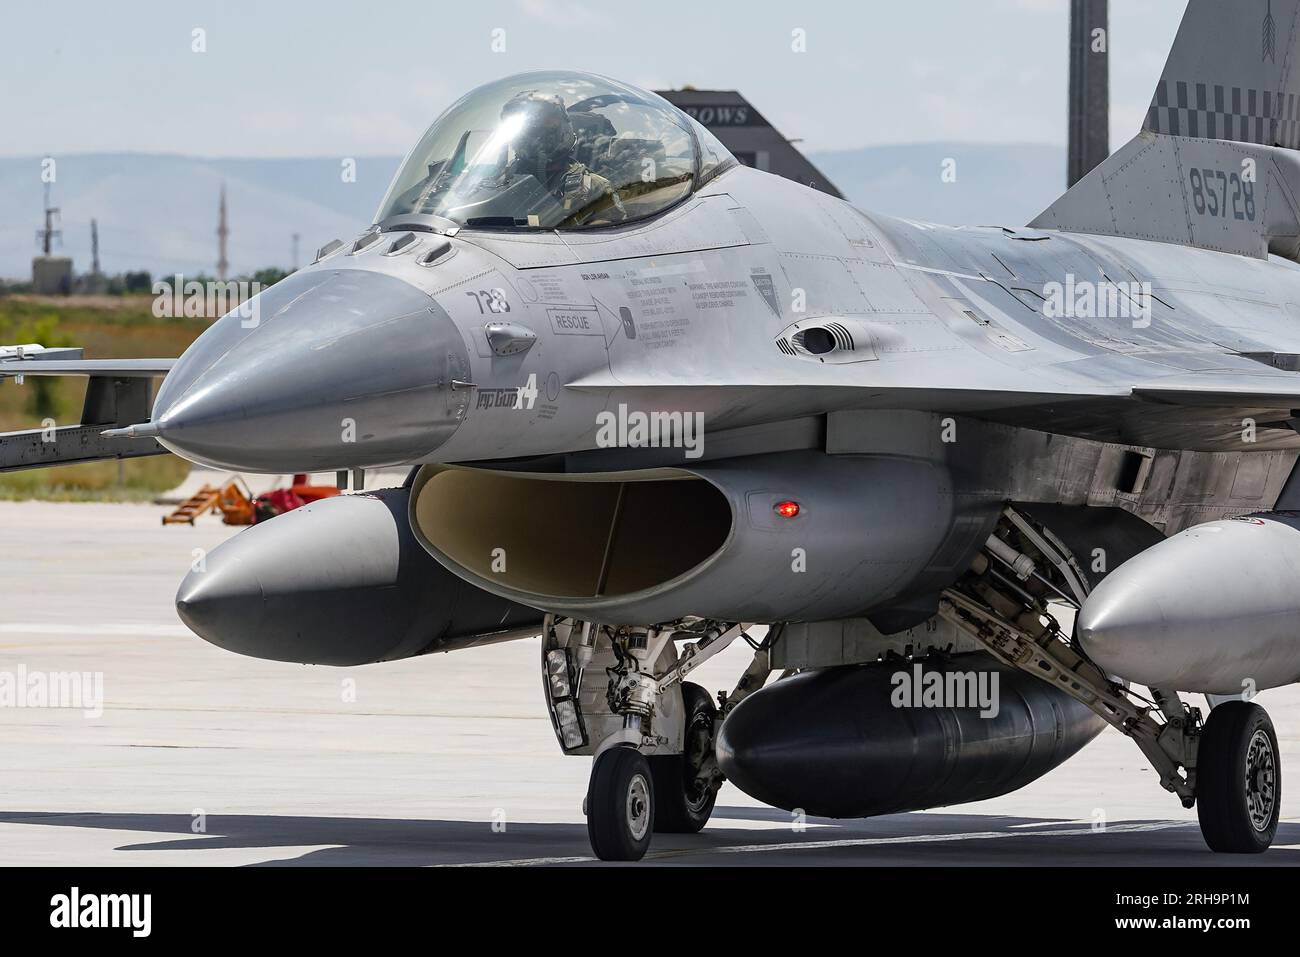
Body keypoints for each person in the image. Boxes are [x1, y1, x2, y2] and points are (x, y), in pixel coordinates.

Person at [500, 91, 625, 222]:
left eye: (545, 121)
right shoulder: (501, 184)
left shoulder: (592, 188)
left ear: (562, 125)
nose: (534, 131)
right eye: (526, 125)